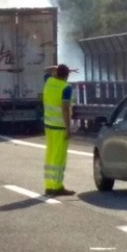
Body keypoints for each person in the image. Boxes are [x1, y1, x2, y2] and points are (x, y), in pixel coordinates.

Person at [42, 64, 75, 196]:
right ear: (66, 76)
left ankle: (49, 186)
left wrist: (56, 68)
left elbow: (46, 70)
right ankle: (57, 186)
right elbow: (65, 108)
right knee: (59, 157)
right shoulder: (65, 88)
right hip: (59, 127)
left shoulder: (48, 81)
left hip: (48, 125)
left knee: (50, 155)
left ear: (56, 73)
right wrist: (68, 128)